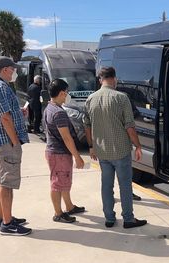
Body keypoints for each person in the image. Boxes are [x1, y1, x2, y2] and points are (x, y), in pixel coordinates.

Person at [84, 67, 147, 229]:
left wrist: (91, 146)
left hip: (102, 151)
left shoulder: (90, 99)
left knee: (106, 185)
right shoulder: (121, 98)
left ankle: (109, 218)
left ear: (100, 79)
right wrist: (138, 145)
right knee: (125, 185)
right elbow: (130, 126)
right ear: (114, 79)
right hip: (120, 150)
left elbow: (87, 125)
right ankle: (128, 218)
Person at [0, 56, 32, 236]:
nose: (14, 72)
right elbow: (4, 117)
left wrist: (19, 112)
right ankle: (7, 224)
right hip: (5, 141)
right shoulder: (1, 87)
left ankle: (3, 217)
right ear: (5, 70)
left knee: (1, 179)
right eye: (12, 69)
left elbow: (2, 112)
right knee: (7, 183)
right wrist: (15, 141)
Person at [44, 79, 86, 223]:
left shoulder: (49, 107)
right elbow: (67, 138)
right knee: (57, 183)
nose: (67, 95)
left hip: (55, 152)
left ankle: (69, 206)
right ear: (62, 93)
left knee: (64, 181)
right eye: (66, 92)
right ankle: (58, 213)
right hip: (59, 154)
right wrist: (77, 157)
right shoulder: (58, 112)